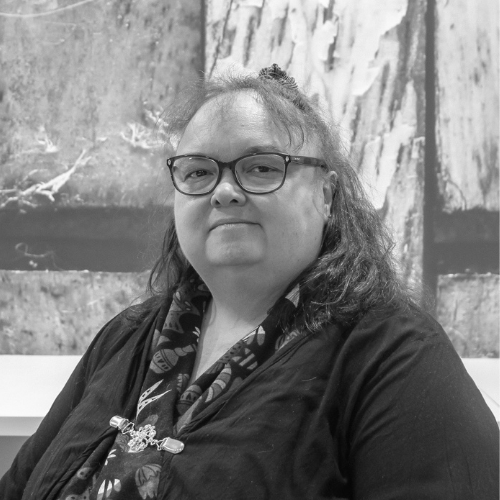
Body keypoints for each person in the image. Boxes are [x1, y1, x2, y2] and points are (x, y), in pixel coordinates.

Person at [1, 64, 498, 500]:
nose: (223, 191)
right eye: (198, 172)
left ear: (326, 196)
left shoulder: (394, 357)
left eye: (260, 168)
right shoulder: (126, 337)